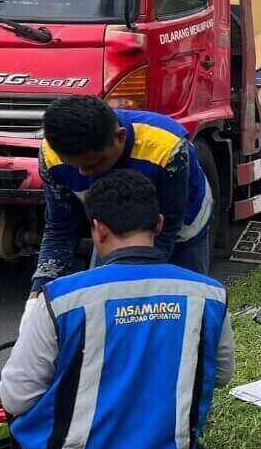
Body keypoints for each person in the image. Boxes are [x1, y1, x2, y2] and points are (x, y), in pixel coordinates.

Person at [0, 170, 234, 449]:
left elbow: (15, 398)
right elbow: (221, 375)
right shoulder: (208, 294)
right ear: (158, 224)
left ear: (98, 229)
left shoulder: (60, 299)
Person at [31, 96, 213, 302]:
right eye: (74, 166)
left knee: (188, 300)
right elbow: (60, 227)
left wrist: (140, 286)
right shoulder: (52, 155)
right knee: (103, 300)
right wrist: (41, 287)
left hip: (181, 225)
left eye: (93, 164)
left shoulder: (165, 148)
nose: (84, 174)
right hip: (111, 224)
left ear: (120, 136)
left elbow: (167, 228)